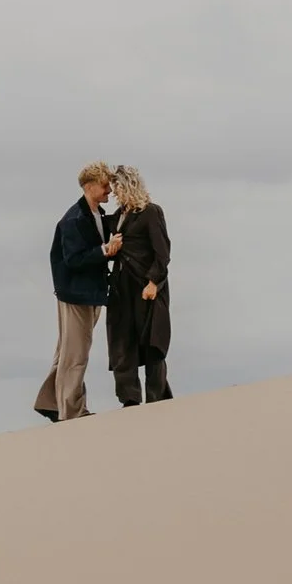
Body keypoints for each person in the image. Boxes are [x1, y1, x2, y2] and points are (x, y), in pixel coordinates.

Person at [33, 162, 119, 422]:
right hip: (75, 294)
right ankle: (71, 413)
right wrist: (105, 250)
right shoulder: (73, 219)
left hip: (89, 293)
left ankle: (51, 402)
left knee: (68, 352)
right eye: (105, 186)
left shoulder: (98, 215)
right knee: (75, 355)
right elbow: (73, 259)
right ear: (89, 186)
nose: (109, 191)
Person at [104, 164, 173, 406]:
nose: (114, 194)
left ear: (129, 186)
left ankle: (158, 399)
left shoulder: (151, 212)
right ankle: (129, 400)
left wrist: (154, 282)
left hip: (146, 289)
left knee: (152, 343)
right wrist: (110, 249)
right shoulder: (117, 217)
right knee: (122, 342)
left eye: (117, 189)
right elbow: (111, 251)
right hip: (122, 289)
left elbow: (162, 253)